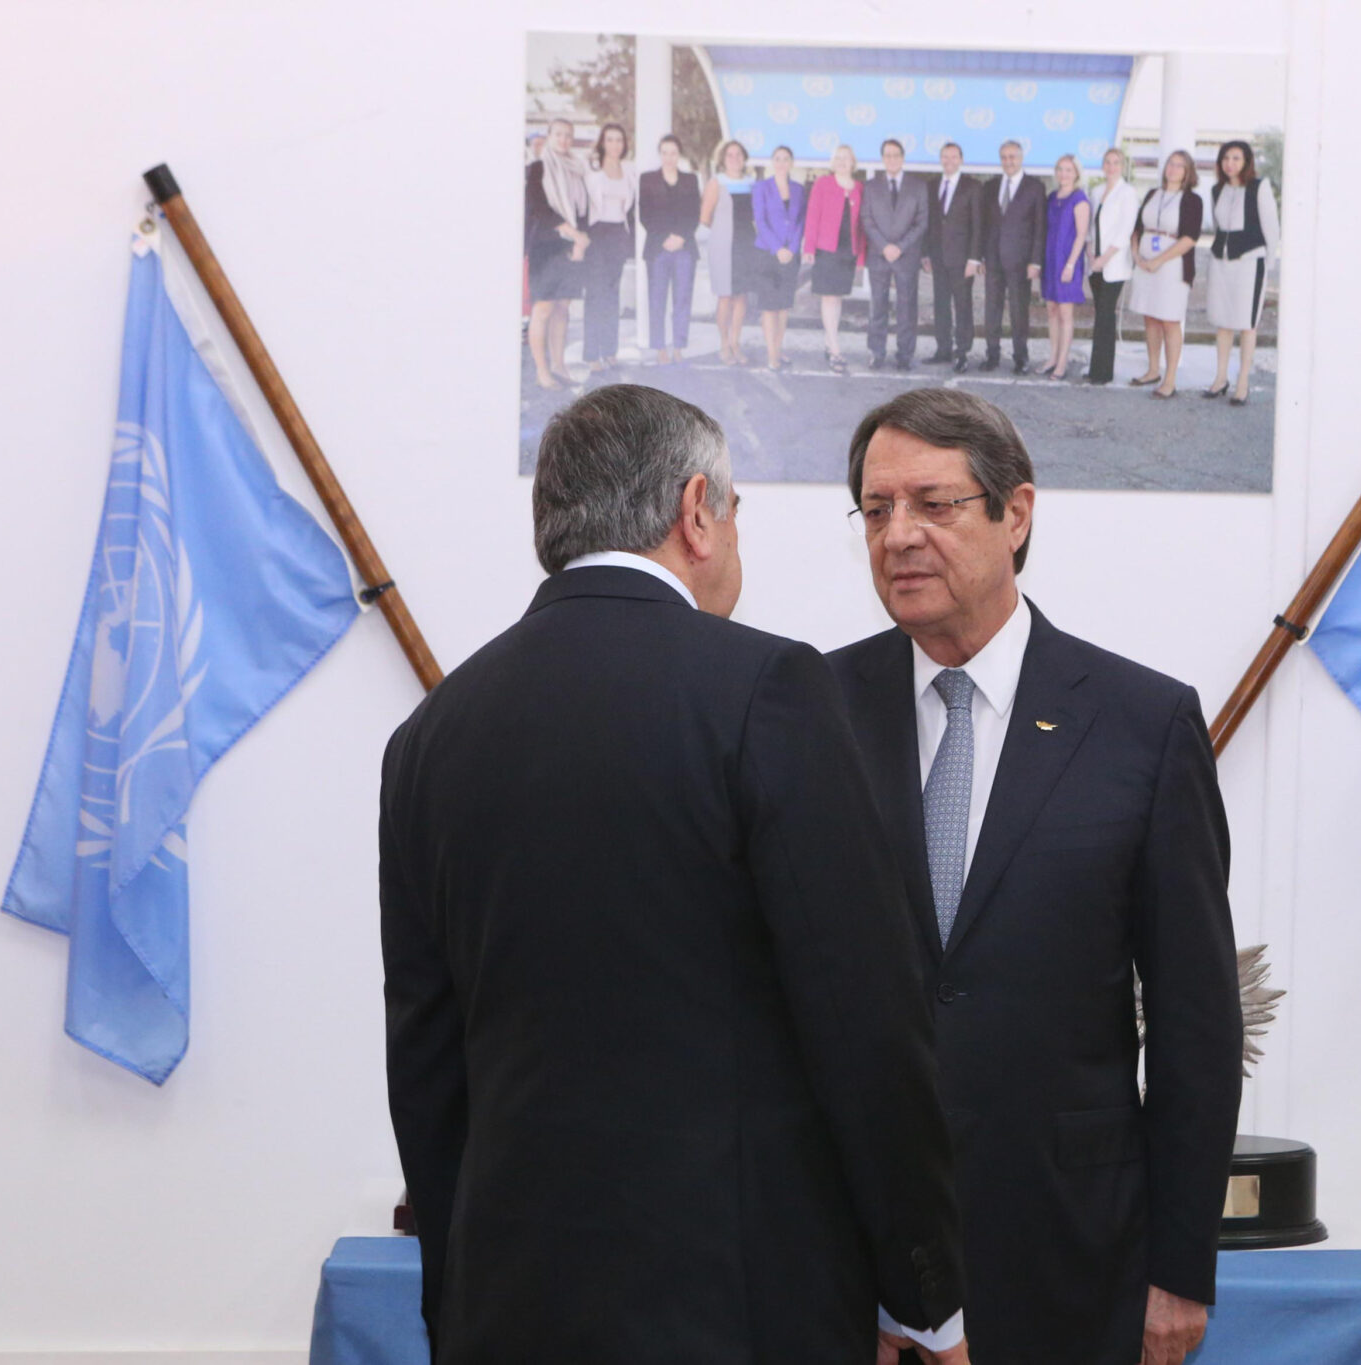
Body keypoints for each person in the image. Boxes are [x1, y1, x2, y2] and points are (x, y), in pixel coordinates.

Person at [383, 384, 972, 1365]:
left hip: (508, 1308)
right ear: (697, 511)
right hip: (734, 1308)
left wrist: (457, 1303)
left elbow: (426, 1067)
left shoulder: (431, 735)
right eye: (733, 511)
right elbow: (864, 1018)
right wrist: (925, 1297)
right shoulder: (768, 689)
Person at [827, 387, 1243, 1365]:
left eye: (933, 504)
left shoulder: (1142, 724)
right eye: (876, 509)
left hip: (1070, 1253)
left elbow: (1194, 1018)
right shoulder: (812, 709)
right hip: (852, 1269)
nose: (898, 536)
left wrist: (1180, 1265)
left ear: (1015, 514)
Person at [1203, 139, 1282, 405]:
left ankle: (1243, 382)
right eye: (1226, 158)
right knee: (1223, 321)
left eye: (1236, 158)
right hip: (1221, 261)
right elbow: (1218, 226)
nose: (1230, 163)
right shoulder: (1217, 190)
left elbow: (1271, 228)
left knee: (1247, 324)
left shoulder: (1259, 187)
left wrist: (1268, 264)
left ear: (1246, 161)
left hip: (1250, 262)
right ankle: (1220, 378)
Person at [1125, 149, 1204, 399]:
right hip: (1145, 263)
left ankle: (1170, 379)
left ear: (1188, 172)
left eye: (1179, 165)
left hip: (1172, 266)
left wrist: (1158, 261)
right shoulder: (1152, 194)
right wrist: (1137, 255)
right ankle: (1152, 370)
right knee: (1150, 316)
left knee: (1169, 320)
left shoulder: (1192, 200)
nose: (1173, 169)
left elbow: (1190, 238)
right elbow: (1137, 228)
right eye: (1170, 164)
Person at [523, 117, 590, 390]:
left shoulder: (576, 169)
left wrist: (579, 241)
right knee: (543, 309)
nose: (564, 140)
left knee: (563, 307)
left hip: (569, 248)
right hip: (545, 246)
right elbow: (540, 208)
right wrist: (574, 233)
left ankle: (559, 366)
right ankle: (542, 372)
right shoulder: (537, 168)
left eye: (568, 135)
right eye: (559, 134)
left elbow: (582, 209)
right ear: (550, 136)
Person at [976, 140, 1047, 374]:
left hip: (1021, 261)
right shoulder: (990, 186)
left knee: (1019, 311)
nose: (1008, 161)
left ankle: (1021, 357)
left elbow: (1040, 227)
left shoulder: (1035, 187)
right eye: (1004, 157)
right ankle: (992, 355)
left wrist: (1035, 261)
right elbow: (984, 225)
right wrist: (981, 257)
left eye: (1012, 157)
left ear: (1021, 158)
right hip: (993, 259)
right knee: (992, 309)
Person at [862, 137, 928, 371]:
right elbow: (867, 220)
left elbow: (921, 222)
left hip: (906, 256)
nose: (892, 159)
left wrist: (900, 247)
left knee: (907, 307)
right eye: (887, 155)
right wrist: (884, 246)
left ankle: (905, 354)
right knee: (877, 306)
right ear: (882, 159)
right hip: (879, 255)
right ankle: (876, 352)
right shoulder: (871, 186)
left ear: (902, 158)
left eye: (896, 155)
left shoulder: (918, 186)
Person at [637, 133, 702, 366]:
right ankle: (660, 347)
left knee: (682, 299)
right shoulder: (647, 179)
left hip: (684, 247)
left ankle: (678, 347)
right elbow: (644, 214)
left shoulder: (690, 180)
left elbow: (695, 213)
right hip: (658, 248)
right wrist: (665, 238)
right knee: (657, 299)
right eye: (665, 153)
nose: (669, 157)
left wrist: (681, 237)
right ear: (660, 154)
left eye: (673, 153)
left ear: (679, 154)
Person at [803, 144, 866, 376]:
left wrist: (861, 256)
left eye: (846, 158)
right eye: (838, 158)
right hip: (826, 249)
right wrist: (809, 247)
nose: (841, 161)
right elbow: (812, 216)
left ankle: (829, 343)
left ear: (853, 163)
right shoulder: (823, 184)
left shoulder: (859, 188)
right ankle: (835, 349)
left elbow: (862, 225)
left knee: (837, 298)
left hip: (848, 251)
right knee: (828, 298)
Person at [581, 123, 636, 371]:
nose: (615, 145)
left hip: (618, 235)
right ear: (603, 143)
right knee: (595, 295)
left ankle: (610, 351)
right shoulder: (591, 170)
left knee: (613, 294)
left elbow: (630, 208)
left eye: (619, 140)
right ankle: (592, 354)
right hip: (597, 234)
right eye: (610, 139)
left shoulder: (629, 170)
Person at [924, 141, 982, 372]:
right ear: (940, 159)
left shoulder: (972, 186)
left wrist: (974, 259)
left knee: (963, 305)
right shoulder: (932, 186)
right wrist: (925, 254)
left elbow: (978, 224)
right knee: (940, 304)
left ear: (961, 160)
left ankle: (962, 352)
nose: (949, 161)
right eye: (945, 157)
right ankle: (943, 349)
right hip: (938, 257)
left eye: (954, 157)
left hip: (962, 259)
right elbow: (929, 223)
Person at [700, 140, 758, 365]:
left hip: (746, 245)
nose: (734, 158)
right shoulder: (716, 183)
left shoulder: (751, 184)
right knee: (725, 296)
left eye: (738, 154)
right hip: (723, 247)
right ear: (722, 159)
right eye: (730, 155)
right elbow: (705, 218)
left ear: (744, 158)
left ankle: (735, 343)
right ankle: (724, 344)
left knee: (741, 296)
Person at [1084, 147, 1138, 386]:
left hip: (1113, 264)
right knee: (1100, 315)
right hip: (1094, 263)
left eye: (1116, 162)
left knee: (1106, 315)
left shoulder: (1128, 193)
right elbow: (1091, 226)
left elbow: (1124, 231)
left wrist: (1103, 259)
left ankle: (1103, 372)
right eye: (1107, 162)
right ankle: (1096, 368)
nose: (1111, 166)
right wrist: (1090, 253)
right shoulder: (1096, 191)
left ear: (1122, 166)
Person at [752, 145, 807, 372]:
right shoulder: (761, 187)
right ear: (772, 162)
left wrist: (791, 248)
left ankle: (778, 348)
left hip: (790, 255)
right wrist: (778, 249)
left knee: (784, 306)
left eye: (786, 159)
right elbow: (760, 221)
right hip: (767, 253)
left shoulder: (799, 189)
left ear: (791, 163)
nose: (782, 162)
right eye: (777, 158)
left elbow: (801, 221)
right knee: (769, 307)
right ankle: (771, 354)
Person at [1040, 154, 1091, 381]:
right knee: (1051, 309)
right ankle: (1052, 357)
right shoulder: (1052, 197)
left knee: (1065, 313)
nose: (1064, 174)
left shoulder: (1080, 199)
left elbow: (1081, 235)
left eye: (1069, 170)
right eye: (1060, 169)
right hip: (1050, 260)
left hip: (1067, 261)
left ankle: (1062, 362)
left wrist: (1070, 264)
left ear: (1076, 173)